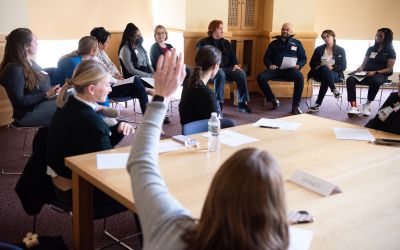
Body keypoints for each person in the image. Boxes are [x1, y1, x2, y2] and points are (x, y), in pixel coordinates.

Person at [126, 49, 289, 250]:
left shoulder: (172, 229)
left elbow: (140, 162)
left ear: (215, 191)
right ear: (274, 213)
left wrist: (161, 97)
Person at [46, 60, 134, 217]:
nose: (110, 88)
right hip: (78, 193)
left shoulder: (69, 103)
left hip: (57, 181)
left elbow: (93, 142)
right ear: (91, 89)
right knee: (147, 186)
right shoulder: (90, 121)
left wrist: (117, 129)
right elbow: (106, 167)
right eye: (107, 84)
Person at [0, 28, 60, 127]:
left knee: (75, 98)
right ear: (26, 46)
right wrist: (46, 94)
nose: (37, 44)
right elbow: (20, 101)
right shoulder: (14, 69)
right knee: (72, 106)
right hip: (28, 113)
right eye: (35, 42)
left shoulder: (29, 62)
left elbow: (41, 73)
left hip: (42, 103)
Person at [197, 20, 252, 114]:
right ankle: (218, 106)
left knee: (241, 73)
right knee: (220, 73)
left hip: (227, 68)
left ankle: (242, 103)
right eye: (220, 29)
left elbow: (233, 57)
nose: (222, 31)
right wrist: (212, 67)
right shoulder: (203, 42)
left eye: (223, 29)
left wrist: (235, 64)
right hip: (211, 70)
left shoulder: (226, 42)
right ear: (213, 29)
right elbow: (200, 59)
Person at [90, 27, 149, 113]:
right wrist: (118, 80)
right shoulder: (93, 58)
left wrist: (118, 74)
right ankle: (148, 114)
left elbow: (111, 65)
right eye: (107, 42)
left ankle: (148, 113)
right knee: (136, 82)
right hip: (108, 88)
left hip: (115, 83)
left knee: (138, 88)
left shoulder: (102, 52)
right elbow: (105, 76)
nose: (108, 44)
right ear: (99, 44)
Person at [179, 45, 236, 128]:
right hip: (204, 135)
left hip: (189, 132)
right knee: (231, 124)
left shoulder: (189, 83)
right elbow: (218, 123)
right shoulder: (206, 93)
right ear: (214, 66)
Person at [257, 23, 307, 115]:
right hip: (276, 69)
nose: (284, 31)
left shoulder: (297, 43)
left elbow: (303, 58)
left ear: (291, 32)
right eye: (283, 29)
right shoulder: (274, 43)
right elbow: (266, 58)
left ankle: (295, 106)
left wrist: (299, 65)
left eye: (287, 30)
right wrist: (270, 65)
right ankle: (273, 99)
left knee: (300, 77)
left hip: (290, 70)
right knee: (261, 77)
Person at [346, 28, 396, 117]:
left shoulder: (391, 51)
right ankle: (354, 106)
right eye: (377, 35)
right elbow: (364, 64)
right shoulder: (371, 49)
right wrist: (360, 68)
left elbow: (389, 69)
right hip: (367, 74)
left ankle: (367, 105)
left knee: (375, 81)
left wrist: (375, 72)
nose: (377, 37)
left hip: (381, 75)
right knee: (350, 79)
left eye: (380, 36)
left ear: (387, 37)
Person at [307, 30, 347, 112]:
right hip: (318, 72)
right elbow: (312, 64)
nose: (326, 39)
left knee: (326, 78)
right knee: (325, 69)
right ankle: (333, 89)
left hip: (334, 73)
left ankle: (317, 104)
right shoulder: (319, 49)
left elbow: (343, 66)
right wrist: (321, 64)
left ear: (333, 36)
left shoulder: (341, 50)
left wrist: (332, 67)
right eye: (324, 37)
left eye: (328, 36)